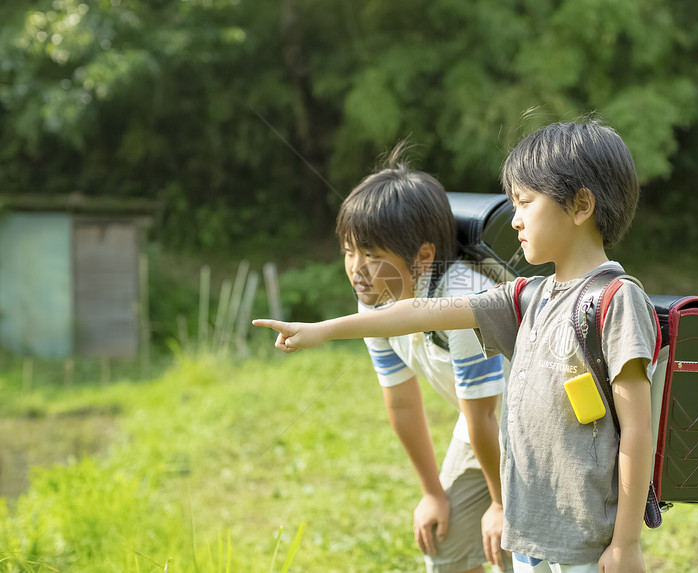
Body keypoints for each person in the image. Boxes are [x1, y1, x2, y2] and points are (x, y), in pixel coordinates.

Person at [255, 120, 659, 573]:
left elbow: (638, 430)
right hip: (533, 523)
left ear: (581, 205)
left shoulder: (616, 301)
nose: (515, 218)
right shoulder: (528, 295)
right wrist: (325, 329)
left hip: (584, 535)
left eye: (525, 202)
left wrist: (625, 544)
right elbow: (421, 312)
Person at [330, 145, 513, 573]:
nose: (357, 268)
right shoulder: (375, 303)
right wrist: (432, 493)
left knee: (513, 550)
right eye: (349, 250)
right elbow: (401, 401)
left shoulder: (464, 300)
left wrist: (502, 504)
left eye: (373, 254)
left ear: (423, 257)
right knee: (445, 548)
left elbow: (485, 415)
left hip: (538, 432)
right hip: (482, 432)